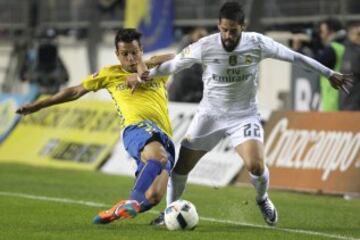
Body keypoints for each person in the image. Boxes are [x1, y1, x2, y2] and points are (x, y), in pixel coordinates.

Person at [144, 2, 353, 226]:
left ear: (243, 27)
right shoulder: (205, 46)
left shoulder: (257, 43)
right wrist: (144, 76)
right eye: (224, 29)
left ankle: (262, 199)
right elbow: (174, 65)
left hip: (243, 116)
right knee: (181, 168)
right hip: (209, 115)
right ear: (219, 26)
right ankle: (169, 212)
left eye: (233, 30)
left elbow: (295, 57)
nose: (227, 35)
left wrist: (328, 73)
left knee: (255, 165)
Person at [16, 28, 176, 224]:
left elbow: (175, 56)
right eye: (125, 54)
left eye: (134, 52)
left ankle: (118, 210)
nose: (130, 58)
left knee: (153, 197)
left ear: (141, 50)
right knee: (158, 157)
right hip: (136, 128)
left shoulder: (158, 70)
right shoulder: (110, 74)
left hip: (164, 134)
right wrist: (38, 104)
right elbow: (75, 91)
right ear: (117, 55)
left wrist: (144, 69)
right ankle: (131, 200)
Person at [167, 27, 208, 102]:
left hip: (183, 94)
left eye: (205, 37)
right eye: (200, 36)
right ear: (192, 35)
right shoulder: (187, 50)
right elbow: (186, 75)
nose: (202, 40)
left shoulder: (198, 50)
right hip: (180, 95)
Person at [316, 18, 347, 111]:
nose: (320, 35)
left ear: (331, 31)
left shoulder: (332, 49)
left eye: (322, 31)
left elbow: (313, 65)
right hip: (345, 99)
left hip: (332, 99)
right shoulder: (346, 45)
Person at [339, 21, 360, 110]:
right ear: (350, 34)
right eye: (359, 34)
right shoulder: (356, 52)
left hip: (344, 103)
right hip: (354, 104)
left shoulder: (342, 49)